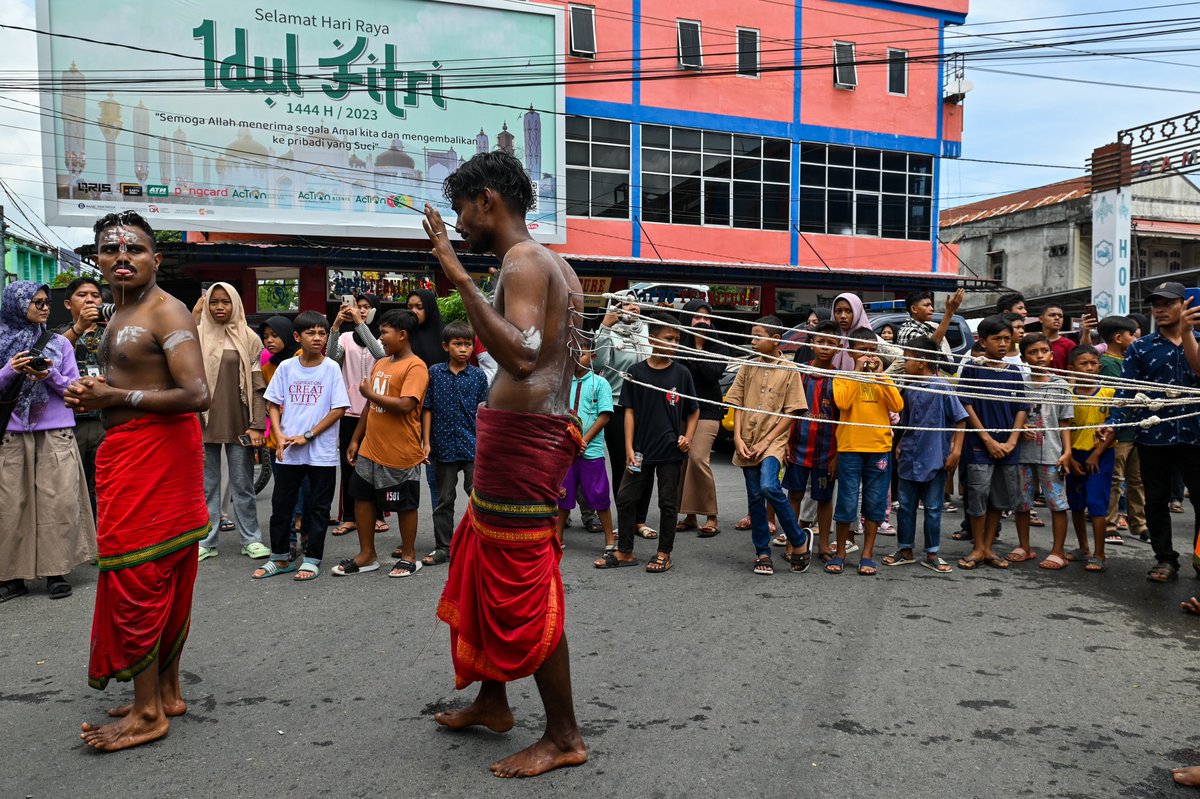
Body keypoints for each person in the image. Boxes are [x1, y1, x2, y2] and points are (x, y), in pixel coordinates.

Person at [423, 150, 590, 777]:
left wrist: (457, 275)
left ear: (487, 199)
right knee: (481, 561)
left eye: (462, 210)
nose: (459, 224)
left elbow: (520, 356)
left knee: (521, 579)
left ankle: (565, 735)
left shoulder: (521, 260)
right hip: (530, 436)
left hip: (524, 440)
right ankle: (493, 699)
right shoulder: (557, 264)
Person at [66, 211, 210, 751]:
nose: (121, 257)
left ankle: (149, 713)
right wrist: (97, 390)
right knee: (160, 575)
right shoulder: (120, 311)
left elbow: (197, 395)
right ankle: (166, 692)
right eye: (110, 250)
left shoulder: (166, 311)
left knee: (137, 575)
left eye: (135, 250)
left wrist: (114, 397)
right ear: (98, 259)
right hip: (130, 453)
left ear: (157, 259)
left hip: (158, 457)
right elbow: (138, 378)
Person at [0, 281, 95, 602]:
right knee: (10, 505)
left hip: (55, 432)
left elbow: (72, 388)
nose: (43, 307)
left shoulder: (58, 344)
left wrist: (48, 375)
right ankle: (13, 576)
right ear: (16, 304)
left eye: (45, 302)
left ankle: (57, 572)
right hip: (12, 434)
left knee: (58, 501)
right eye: (36, 302)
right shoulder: (1, 341)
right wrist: (10, 371)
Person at [595, 311, 699, 574]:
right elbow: (628, 411)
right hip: (640, 450)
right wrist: (629, 448)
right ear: (652, 339)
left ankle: (664, 552)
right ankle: (626, 551)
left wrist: (688, 437)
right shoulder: (636, 371)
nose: (674, 344)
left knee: (667, 503)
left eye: (677, 339)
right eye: (669, 338)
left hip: (670, 451)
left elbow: (693, 410)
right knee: (625, 496)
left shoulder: (682, 373)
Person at [1110, 282, 1200, 582]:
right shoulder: (1140, 346)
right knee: (1156, 499)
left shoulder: (1198, 340)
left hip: (1196, 435)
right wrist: (1113, 424)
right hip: (1154, 436)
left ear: (1185, 305)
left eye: (1167, 303)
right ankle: (1165, 559)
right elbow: (1127, 391)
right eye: (1155, 304)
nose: (1159, 309)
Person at [253, 311, 349, 582]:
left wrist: (308, 435)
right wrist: (280, 433)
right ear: (297, 337)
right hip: (288, 451)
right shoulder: (286, 368)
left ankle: (312, 558)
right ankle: (280, 557)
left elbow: (338, 408)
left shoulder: (330, 368)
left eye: (322, 333)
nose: (318, 338)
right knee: (281, 505)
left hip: (321, 452)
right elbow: (272, 403)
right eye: (311, 333)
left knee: (318, 507)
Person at [334, 309, 429, 578]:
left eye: (385, 332)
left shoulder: (416, 366)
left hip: (401, 451)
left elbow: (406, 404)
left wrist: (370, 393)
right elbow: (369, 405)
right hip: (370, 449)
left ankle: (409, 555)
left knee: (405, 504)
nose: (381, 337)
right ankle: (367, 554)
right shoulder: (382, 363)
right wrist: (355, 439)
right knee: (361, 497)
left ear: (402, 335)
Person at [725, 316, 811, 576]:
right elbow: (737, 404)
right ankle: (762, 551)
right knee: (754, 498)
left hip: (772, 443)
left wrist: (766, 441)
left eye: (758, 336)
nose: (752, 341)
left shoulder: (789, 369)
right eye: (752, 335)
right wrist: (738, 438)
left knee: (768, 486)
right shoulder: (747, 367)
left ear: (775, 340)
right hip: (747, 440)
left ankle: (798, 539)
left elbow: (792, 412)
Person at [194, 282, 269, 561]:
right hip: (203, 420)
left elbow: (259, 385)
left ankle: (251, 539)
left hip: (240, 421)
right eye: (214, 302)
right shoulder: (197, 335)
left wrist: (257, 424)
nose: (220, 307)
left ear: (235, 303)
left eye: (226, 301)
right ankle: (206, 540)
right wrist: (194, 313)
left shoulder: (249, 337)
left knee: (242, 483)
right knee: (207, 486)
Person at [826, 328, 903, 576]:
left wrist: (881, 376)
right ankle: (840, 551)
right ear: (851, 351)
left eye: (872, 352)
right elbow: (843, 403)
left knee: (875, 503)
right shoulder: (842, 376)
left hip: (879, 448)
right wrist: (858, 372)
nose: (868, 356)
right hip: (849, 447)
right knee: (847, 502)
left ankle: (867, 554)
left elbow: (898, 405)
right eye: (863, 351)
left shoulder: (883, 379)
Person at [885, 336, 965, 573]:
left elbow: (960, 420)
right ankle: (905, 549)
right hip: (910, 454)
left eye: (907, 359)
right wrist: (899, 444)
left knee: (932, 508)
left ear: (921, 362)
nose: (904, 363)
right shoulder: (909, 387)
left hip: (935, 456)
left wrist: (956, 450)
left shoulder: (942, 386)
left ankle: (932, 552)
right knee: (906, 506)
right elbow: (906, 420)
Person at [958, 314, 1029, 571]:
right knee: (977, 495)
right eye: (996, 339)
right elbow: (966, 404)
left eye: (1006, 339)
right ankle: (977, 546)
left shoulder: (1014, 373)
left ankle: (988, 547)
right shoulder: (973, 368)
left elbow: (1022, 407)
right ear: (983, 341)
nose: (1002, 343)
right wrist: (987, 439)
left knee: (998, 500)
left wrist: (1011, 440)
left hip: (1008, 448)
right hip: (979, 446)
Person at [421, 320, 489, 567]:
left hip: (473, 445)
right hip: (443, 445)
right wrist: (426, 441)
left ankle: (482, 542)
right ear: (445, 346)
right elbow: (426, 408)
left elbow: (485, 411)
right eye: (457, 344)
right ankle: (443, 547)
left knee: (478, 496)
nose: (463, 349)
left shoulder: (479, 375)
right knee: (444, 499)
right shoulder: (434, 373)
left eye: (467, 344)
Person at [593, 293, 655, 539]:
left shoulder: (647, 330)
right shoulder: (608, 332)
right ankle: (625, 519)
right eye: (626, 303)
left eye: (635, 302)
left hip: (647, 406)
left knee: (646, 462)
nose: (633, 307)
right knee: (623, 463)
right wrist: (605, 327)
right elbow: (598, 364)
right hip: (618, 405)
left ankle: (640, 520)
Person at [1009, 333, 1073, 570]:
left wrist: (1067, 452)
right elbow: (1012, 416)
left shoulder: (1061, 385)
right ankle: (1024, 546)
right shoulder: (1019, 383)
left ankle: (1058, 551)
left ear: (1051, 354)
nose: (1039, 356)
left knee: (1057, 503)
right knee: (1022, 502)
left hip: (1052, 454)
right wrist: (1020, 427)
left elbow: (1065, 422)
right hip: (1022, 454)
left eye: (1043, 351)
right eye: (1033, 352)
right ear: (1024, 357)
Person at [328, 294, 389, 538]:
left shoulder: (383, 335)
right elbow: (331, 359)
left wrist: (359, 324)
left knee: (376, 463)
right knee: (348, 464)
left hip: (377, 408)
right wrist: (334, 327)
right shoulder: (344, 336)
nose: (361, 311)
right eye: (358, 307)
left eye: (366, 308)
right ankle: (350, 517)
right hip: (349, 409)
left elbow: (380, 353)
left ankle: (377, 514)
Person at [785, 321, 840, 561]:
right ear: (812, 344)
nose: (825, 347)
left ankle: (824, 545)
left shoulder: (840, 378)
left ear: (839, 347)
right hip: (797, 446)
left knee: (824, 499)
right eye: (821, 342)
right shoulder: (799, 372)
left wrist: (837, 455)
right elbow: (788, 409)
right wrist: (785, 440)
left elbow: (844, 419)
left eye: (831, 343)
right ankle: (793, 542)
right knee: (794, 494)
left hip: (826, 451)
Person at [556, 345, 614, 553]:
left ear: (593, 355)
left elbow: (604, 415)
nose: (576, 358)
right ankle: (557, 535)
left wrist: (584, 440)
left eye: (581, 353)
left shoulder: (600, 383)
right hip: (565, 449)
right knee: (563, 494)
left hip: (591, 449)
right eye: (571, 353)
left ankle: (609, 538)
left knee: (599, 494)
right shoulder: (561, 384)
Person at [676, 299, 725, 537]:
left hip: (708, 411)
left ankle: (711, 515)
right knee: (683, 462)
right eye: (697, 317)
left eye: (706, 317)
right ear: (688, 318)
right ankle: (690, 515)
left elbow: (712, 374)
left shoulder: (718, 345)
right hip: (681, 411)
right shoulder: (676, 342)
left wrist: (697, 348)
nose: (702, 321)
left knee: (698, 458)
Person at [1065, 345, 1115, 572]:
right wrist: (1068, 457)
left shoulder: (1108, 393)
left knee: (1096, 504)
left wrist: (1096, 453)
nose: (1089, 368)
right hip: (1073, 455)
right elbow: (1062, 427)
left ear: (1100, 366)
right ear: (1071, 368)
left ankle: (1099, 554)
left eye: (1093, 363)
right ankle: (1083, 548)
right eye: (1083, 364)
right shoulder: (1067, 395)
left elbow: (1115, 426)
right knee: (1076, 503)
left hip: (1100, 456)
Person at [58, 275, 107, 514]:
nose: (90, 300)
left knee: (104, 485)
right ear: (68, 304)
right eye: (82, 295)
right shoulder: (56, 335)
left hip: (104, 422)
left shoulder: (112, 332)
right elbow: (49, 356)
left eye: (95, 296)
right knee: (70, 486)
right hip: (69, 423)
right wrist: (78, 328)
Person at [1099, 315, 1144, 545]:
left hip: (1136, 430)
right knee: (1115, 479)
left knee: (1136, 480)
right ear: (1119, 338)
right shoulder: (1108, 364)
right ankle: (1109, 524)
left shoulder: (1129, 361)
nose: (1136, 341)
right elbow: (1117, 398)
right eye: (1132, 337)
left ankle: (1140, 524)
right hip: (1118, 433)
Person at [407, 288, 448, 513]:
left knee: (436, 480)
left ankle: (442, 537)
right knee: (407, 480)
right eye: (409, 307)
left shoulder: (444, 340)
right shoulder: (403, 338)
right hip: (406, 416)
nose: (413, 312)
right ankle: (408, 538)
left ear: (429, 309)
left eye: (419, 307)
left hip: (437, 419)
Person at [893, 288, 965, 357]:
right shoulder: (909, 331)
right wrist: (949, 313)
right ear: (914, 309)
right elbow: (931, 350)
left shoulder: (928, 327)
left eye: (931, 305)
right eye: (926, 305)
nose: (931, 309)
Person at [1039, 303, 1077, 372]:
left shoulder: (1069, 345)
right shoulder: (1033, 342)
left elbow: (1072, 372)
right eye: (1052, 315)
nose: (1057, 318)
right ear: (1041, 319)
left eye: (1060, 316)